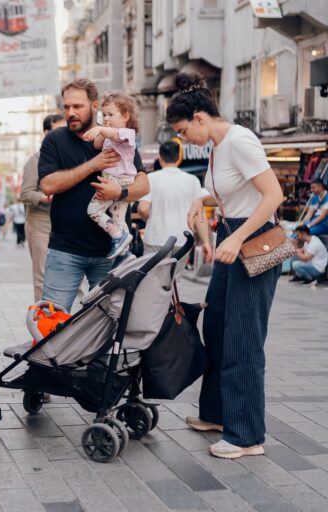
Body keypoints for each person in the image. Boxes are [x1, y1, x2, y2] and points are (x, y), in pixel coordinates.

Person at [173, 73, 284, 459]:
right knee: (217, 327)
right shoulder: (219, 147)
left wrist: (237, 238)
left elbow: (273, 195)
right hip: (231, 239)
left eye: (184, 131)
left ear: (200, 117)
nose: (183, 139)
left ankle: (247, 436)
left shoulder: (240, 141)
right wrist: (199, 201)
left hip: (252, 241)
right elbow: (220, 188)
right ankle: (219, 414)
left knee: (242, 340)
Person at [38, 79, 149, 312]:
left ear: (95, 105)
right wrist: (93, 165)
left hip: (110, 252)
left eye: (77, 106)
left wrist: (120, 192)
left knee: (107, 323)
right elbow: (47, 185)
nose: (71, 113)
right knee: (50, 320)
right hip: (65, 251)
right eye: (66, 107)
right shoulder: (54, 140)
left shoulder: (116, 137)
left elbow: (143, 185)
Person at [137, 140, 212, 273]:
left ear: (160, 158)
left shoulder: (151, 178)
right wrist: (206, 241)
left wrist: (150, 217)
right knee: (174, 282)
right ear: (178, 158)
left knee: (153, 281)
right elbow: (198, 215)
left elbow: (143, 208)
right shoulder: (192, 180)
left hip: (156, 238)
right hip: (182, 240)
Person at [82, 92, 139, 258]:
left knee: (93, 210)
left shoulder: (127, 133)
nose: (106, 117)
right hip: (121, 181)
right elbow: (98, 144)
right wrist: (101, 131)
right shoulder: (109, 133)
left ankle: (116, 236)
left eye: (111, 114)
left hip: (116, 179)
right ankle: (126, 253)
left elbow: (114, 135)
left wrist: (101, 128)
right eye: (104, 114)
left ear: (126, 116)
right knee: (119, 217)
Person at [21, 114, 66, 301]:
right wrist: (45, 197)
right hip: (40, 226)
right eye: (58, 131)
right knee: (42, 276)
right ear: (47, 133)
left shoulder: (67, 157)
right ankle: (43, 322)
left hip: (64, 226)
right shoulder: (35, 160)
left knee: (68, 274)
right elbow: (25, 194)